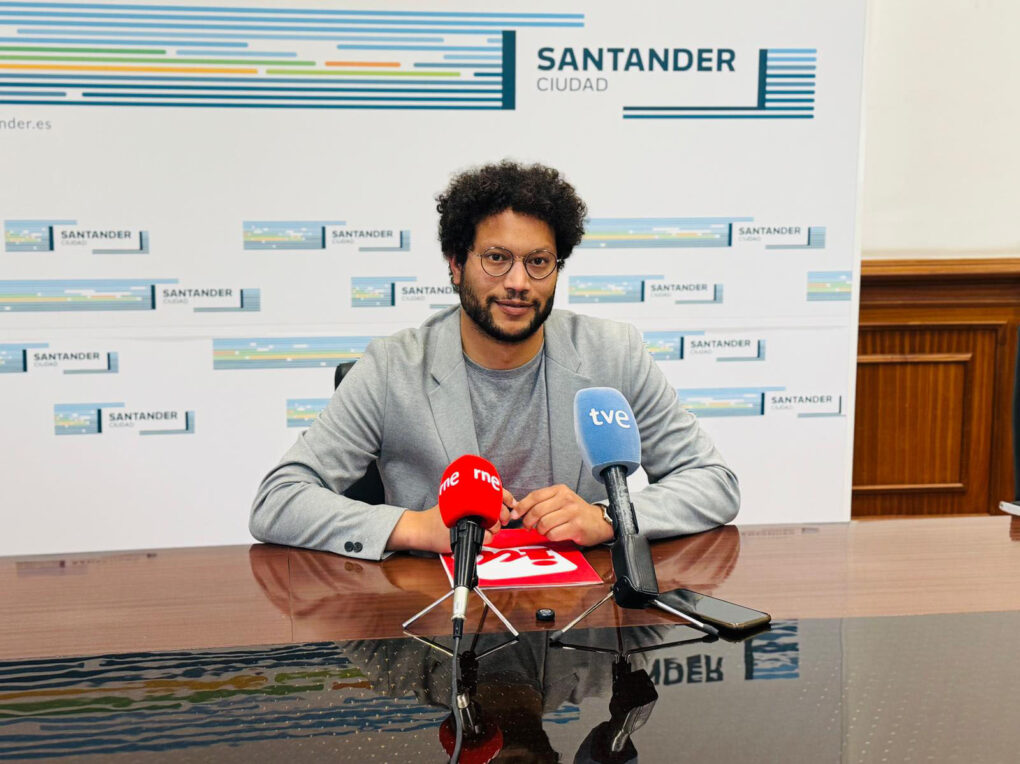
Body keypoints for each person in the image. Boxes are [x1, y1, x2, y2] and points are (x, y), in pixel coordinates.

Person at [250, 160, 739, 560]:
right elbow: (279, 500)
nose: (518, 283)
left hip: (579, 621)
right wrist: (413, 526)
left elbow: (713, 482)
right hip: (437, 616)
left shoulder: (614, 353)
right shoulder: (392, 368)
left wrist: (610, 516)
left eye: (538, 262)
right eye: (496, 258)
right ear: (456, 264)